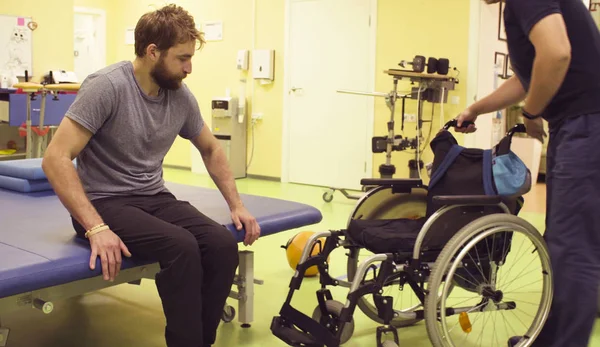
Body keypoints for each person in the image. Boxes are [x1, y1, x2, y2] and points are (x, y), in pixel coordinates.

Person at [41, 4, 261, 347]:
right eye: (182, 58)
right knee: (182, 247)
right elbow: (55, 158)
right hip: (104, 203)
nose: (189, 68)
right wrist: (95, 227)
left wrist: (236, 204)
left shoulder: (180, 96)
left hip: (153, 197)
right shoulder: (107, 87)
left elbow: (212, 148)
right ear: (152, 52)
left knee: (220, 245)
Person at [456, 0, 600, 346]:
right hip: (584, 124)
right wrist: (475, 108)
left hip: (587, 125)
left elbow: (556, 53)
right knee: (570, 242)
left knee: (572, 248)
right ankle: (548, 336)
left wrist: (532, 112)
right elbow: (528, 76)